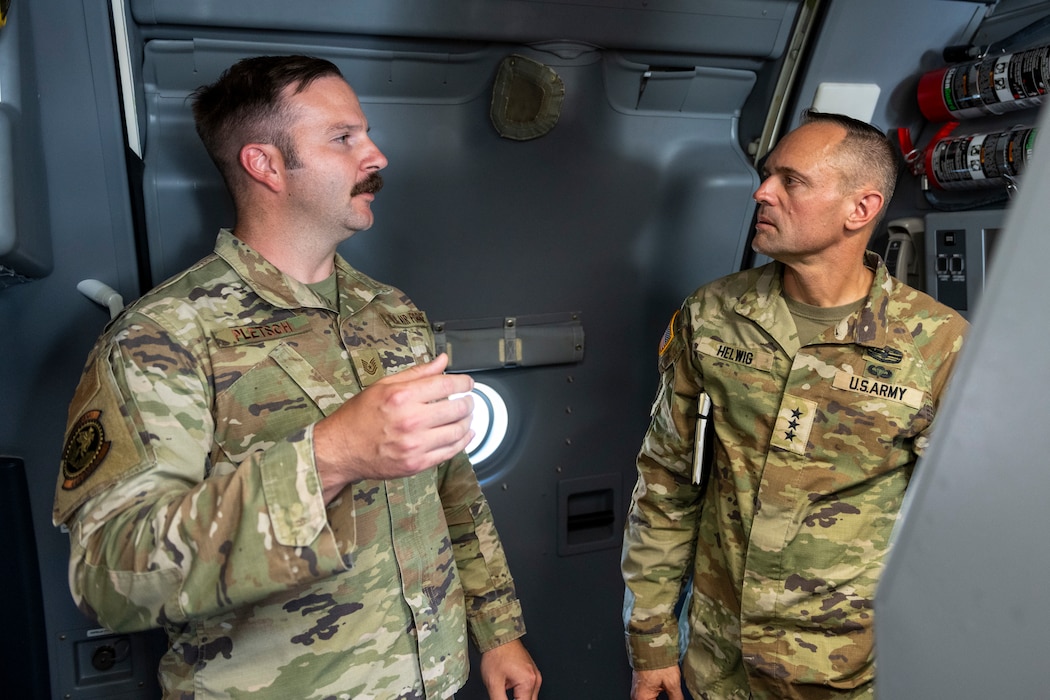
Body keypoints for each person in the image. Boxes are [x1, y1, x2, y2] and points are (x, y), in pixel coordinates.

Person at [53, 54, 541, 700]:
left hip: (430, 681)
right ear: (266, 164)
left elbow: (451, 487)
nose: (376, 156)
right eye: (343, 138)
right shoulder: (163, 337)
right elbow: (109, 578)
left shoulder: (393, 313)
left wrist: (498, 630)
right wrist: (328, 456)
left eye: (364, 134)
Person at [620, 110, 968, 700]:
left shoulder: (937, 344)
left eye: (792, 180)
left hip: (849, 673)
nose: (762, 191)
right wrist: (652, 643)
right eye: (766, 175)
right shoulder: (713, 317)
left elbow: (956, 531)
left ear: (859, 209)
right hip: (717, 660)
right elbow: (667, 484)